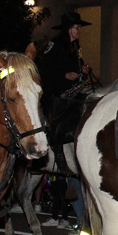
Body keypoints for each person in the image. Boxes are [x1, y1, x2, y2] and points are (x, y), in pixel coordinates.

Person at [39, 12, 92, 147]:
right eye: (77, 27)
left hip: (73, 91)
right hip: (57, 92)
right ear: (68, 29)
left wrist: (83, 71)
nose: (80, 31)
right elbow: (44, 68)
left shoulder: (75, 47)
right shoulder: (55, 45)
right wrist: (63, 75)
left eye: (80, 27)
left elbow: (77, 66)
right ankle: (55, 147)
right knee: (57, 123)